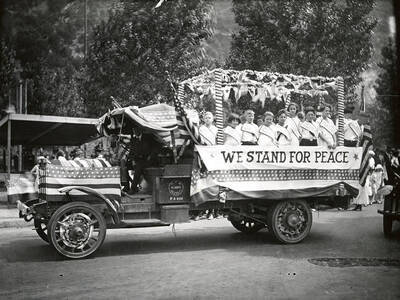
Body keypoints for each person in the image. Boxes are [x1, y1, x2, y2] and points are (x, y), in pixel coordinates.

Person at [126, 127, 162, 194]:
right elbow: (132, 152)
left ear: (140, 130)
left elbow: (157, 147)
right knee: (125, 167)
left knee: (138, 167)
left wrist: (151, 156)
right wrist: (132, 160)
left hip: (148, 160)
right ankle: (126, 186)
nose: (135, 132)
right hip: (137, 160)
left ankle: (133, 189)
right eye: (134, 130)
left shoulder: (148, 137)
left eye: (136, 130)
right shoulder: (134, 140)